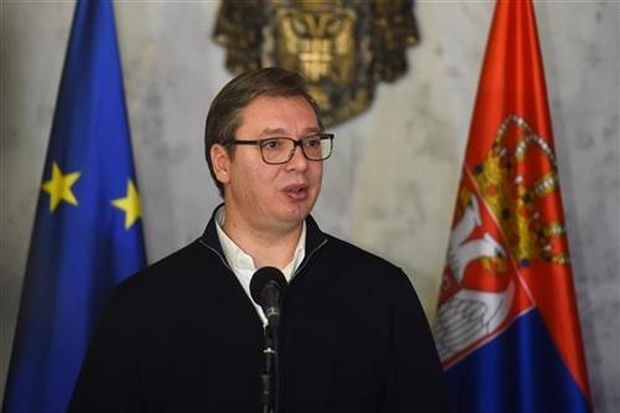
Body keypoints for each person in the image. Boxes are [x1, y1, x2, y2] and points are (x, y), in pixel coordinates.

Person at [69, 67, 447, 412]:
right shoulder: (143, 306)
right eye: (273, 145)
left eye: (311, 143)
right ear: (222, 162)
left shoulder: (381, 292)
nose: (300, 162)